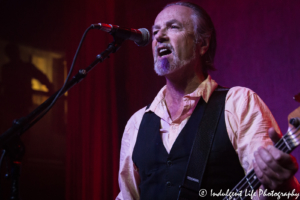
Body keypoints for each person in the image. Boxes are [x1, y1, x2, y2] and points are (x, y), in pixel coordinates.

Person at [116, 2, 300, 200]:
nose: (159, 37)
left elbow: (281, 194)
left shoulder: (239, 104)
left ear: (202, 44)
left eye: (173, 27)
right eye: (155, 32)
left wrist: (281, 183)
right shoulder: (137, 123)